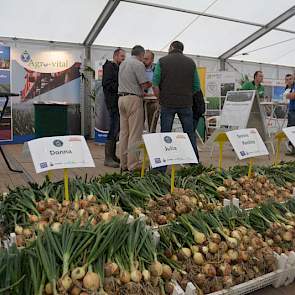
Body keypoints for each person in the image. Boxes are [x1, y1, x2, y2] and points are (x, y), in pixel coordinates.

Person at [153, 41, 200, 162]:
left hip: (167, 103)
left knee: (165, 135)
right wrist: (187, 95)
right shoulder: (191, 63)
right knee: (189, 134)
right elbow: (196, 86)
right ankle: (194, 163)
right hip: (186, 104)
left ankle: (162, 166)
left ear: (171, 47)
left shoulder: (162, 61)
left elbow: (155, 84)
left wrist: (159, 99)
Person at [118, 45, 151, 171]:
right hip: (133, 99)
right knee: (135, 133)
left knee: (124, 133)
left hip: (121, 99)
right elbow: (144, 84)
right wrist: (150, 83)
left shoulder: (123, 63)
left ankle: (124, 164)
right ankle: (133, 165)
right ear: (141, 55)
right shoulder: (138, 64)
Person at [102, 48, 126, 168]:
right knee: (114, 127)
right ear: (116, 56)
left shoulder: (117, 68)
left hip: (117, 102)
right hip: (112, 102)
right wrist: (121, 86)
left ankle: (112, 155)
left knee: (116, 128)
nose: (123, 59)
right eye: (122, 57)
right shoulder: (109, 67)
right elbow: (107, 84)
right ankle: (108, 158)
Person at [143, 50, 159, 132]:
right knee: (138, 127)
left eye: (146, 59)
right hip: (141, 101)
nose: (144, 61)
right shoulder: (139, 68)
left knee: (152, 127)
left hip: (153, 101)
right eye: (143, 58)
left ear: (152, 60)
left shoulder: (157, 70)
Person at [283, 74, 295, 155]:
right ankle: (293, 149)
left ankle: (293, 150)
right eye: (288, 79)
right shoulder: (289, 87)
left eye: (291, 78)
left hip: (293, 110)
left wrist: (286, 95)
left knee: (292, 129)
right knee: (291, 129)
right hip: (292, 109)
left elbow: (292, 96)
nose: (290, 80)